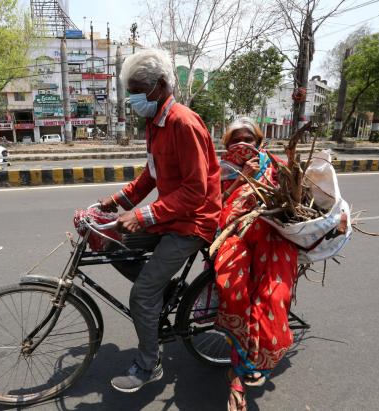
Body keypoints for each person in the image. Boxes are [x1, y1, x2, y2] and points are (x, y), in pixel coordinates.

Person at [97, 48, 221, 393]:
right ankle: (167, 291)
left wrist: (143, 215)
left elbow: (196, 192)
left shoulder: (184, 122)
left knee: (141, 295)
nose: (134, 99)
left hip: (193, 222)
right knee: (112, 242)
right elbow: (149, 177)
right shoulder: (155, 123)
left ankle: (148, 365)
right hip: (170, 214)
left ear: (162, 85)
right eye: (131, 92)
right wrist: (113, 203)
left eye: (138, 91)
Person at [214, 118, 299, 411]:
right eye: (236, 139)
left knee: (273, 296)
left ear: (259, 143)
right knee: (234, 291)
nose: (243, 145)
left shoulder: (274, 165)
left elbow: (293, 200)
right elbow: (215, 208)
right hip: (233, 234)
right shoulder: (220, 170)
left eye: (248, 139)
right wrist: (240, 179)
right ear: (226, 145)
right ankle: (239, 372)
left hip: (272, 236)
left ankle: (254, 363)